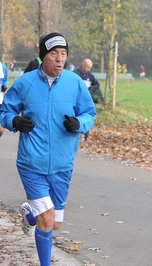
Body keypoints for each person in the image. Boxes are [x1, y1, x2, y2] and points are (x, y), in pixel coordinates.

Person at [0, 32, 96, 266]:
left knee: (54, 223)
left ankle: (29, 214)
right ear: (44, 57)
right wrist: (15, 122)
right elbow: (5, 112)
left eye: (63, 54)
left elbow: (89, 113)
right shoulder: (26, 82)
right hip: (31, 163)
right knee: (48, 219)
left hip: (63, 164)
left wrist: (79, 124)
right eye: (54, 54)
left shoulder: (74, 82)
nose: (60, 59)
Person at [74, 58, 103, 142]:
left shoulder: (90, 76)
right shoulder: (75, 74)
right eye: (87, 67)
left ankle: (87, 137)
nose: (88, 69)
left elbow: (97, 84)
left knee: (86, 116)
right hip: (76, 100)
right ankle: (75, 134)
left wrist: (92, 88)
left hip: (86, 100)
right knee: (76, 117)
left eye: (90, 68)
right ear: (83, 65)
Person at [0, 61, 9, 137]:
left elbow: (5, 79)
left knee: (0, 129)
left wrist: (4, 86)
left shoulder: (3, 67)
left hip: (0, 100)